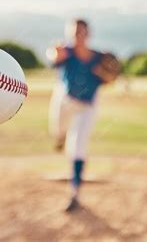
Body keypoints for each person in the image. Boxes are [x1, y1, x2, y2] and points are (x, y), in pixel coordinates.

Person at [47, 19, 114, 212]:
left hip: (87, 106)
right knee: (58, 131)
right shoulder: (65, 52)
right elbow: (53, 57)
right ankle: (60, 137)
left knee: (77, 146)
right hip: (64, 101)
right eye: (75, 32)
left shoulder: (98, 57)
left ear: (88, 34)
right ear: (70, 34)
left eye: (82, 32)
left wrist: (104, 74)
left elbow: (109, 79)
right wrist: (55, 53)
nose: (79, 36)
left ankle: (74, 192)